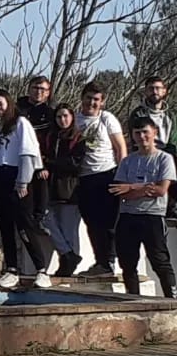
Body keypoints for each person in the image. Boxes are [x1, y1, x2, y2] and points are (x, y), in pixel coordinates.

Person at [0, 90, 51, 289]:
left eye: (0, 104)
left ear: (9, 102)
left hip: (16, 178)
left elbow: (28, 153)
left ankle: (41, 270)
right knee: (6, 227)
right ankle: (12, 269)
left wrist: (23, 181)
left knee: (24, 226)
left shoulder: (21, 123)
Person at [109, 118, 176, 299]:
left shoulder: (164, 159)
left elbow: (161, 190)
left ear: (154, 132)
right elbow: (120, 192)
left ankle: (172, 300)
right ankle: (134, 300)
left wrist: (133, 187)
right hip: (128, 216)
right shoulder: (127, 161)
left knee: (159, 261)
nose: (142, 136)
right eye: (137, 133)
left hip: (153, 216)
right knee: (128, 263)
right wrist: (146, 189)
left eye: (145, 132)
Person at [75, 81, 127, 277]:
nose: (92, 102)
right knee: (91, 222)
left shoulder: (107, 119)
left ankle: (110, 262)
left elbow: (120, 147)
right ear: (82, 98)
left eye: (96, 99)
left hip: (107, 173)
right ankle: (101, 262)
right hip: (83, 177)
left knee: (109, 222)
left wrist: (122, 176)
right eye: (88, 98)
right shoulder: (75, 119)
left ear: (102, 102)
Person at [41, 104, 85, 278]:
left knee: (68, 231)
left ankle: (67, 264)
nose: (62, 120)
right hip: (50, 189)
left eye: (65, 116)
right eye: (59, 117)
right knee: (46, 219)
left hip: (70, 190)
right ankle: (68, 255)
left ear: (72, 117)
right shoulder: (50, 137)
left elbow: (74, 164)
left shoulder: (78, 138)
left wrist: (50, 162)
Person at [129, 77, 176, 219]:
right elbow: (135, 137)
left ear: (164, 91)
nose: (154, 91)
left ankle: (172, 207)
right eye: (151, 88)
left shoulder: (170, 115)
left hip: (168, 153)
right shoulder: (138, 113)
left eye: (157, 88)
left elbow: (173, 139)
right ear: (146, 92)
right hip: (145, 152)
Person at [16, 76, 56, 230]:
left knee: (41, 180)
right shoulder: (17, 109)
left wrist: (44, 164)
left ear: (48, 93)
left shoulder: (51, 114)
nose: (39, 92)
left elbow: (52, 141)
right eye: (35, 88)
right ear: (29, 89)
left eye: (43, 89)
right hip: (16, 157)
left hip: (40, 160)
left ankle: (39, 217)